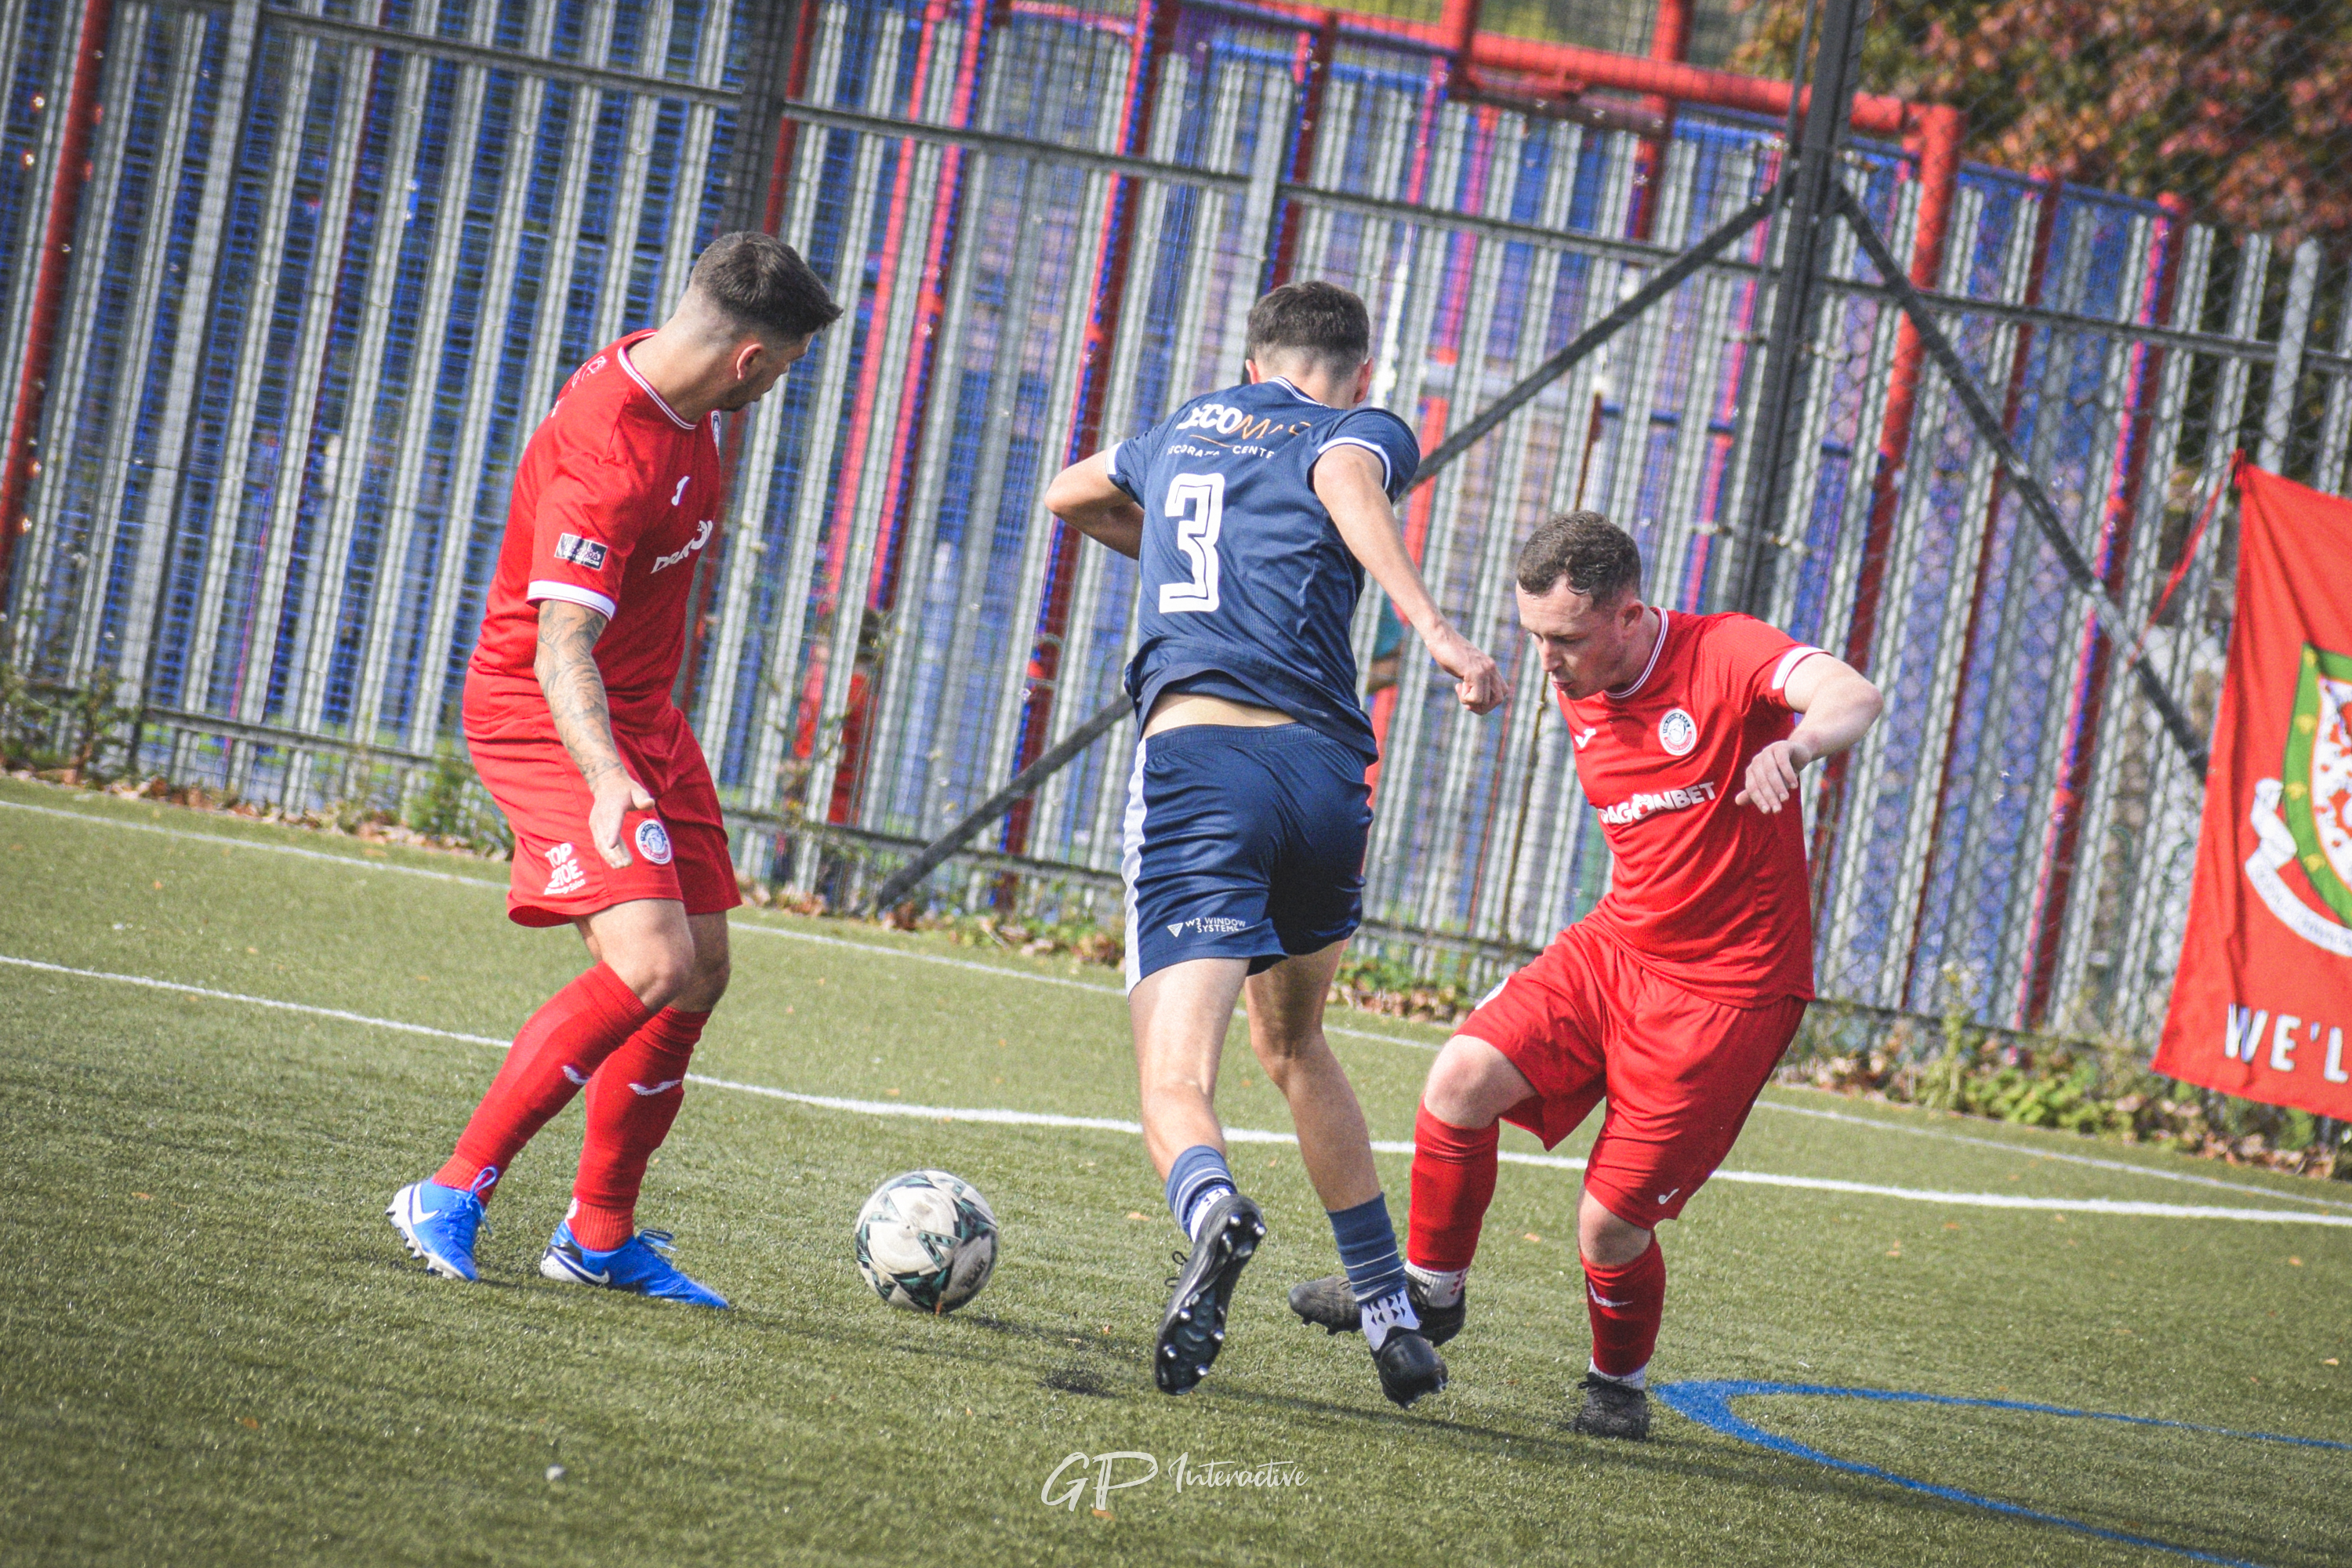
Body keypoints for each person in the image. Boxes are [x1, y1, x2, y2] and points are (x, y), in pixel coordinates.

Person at [1287, 512, 1884, 1437]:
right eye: (1533, 636)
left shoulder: (1724, 651)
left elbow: (1853, 692)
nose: (1548, 660)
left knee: (1607, 1226)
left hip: (1727, 994)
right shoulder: (1578, 674)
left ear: (1632, 616)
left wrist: (1797, 745)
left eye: (1564, 638)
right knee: (1459, 1078)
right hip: (1618, 949)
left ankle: (1618, 1388)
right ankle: (1432, 1294)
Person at [1040, 281, 1508, 1405]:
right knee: (1295, 1045)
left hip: (1204, 768)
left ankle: (1210, 1213)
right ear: (1359, 364)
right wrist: (1431, 633)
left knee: (1174, 1070)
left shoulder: (1185, 425)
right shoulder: (1362, 423)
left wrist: (1424, 622)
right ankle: (1391, 1312)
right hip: (1323, 777)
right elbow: (1348, 475)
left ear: (1255, 356)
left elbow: (1065, 494)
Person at [386, 233, 840, 1305]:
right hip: (549, 718)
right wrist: (604, 779)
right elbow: (557, 647)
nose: (780, 388)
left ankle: (598, 1233)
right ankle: (449, 1192)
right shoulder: (608, 454)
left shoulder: (675, 385)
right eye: (782, 370)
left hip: (644, 719)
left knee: (703, 968)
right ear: (748, 362)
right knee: (650, 963)